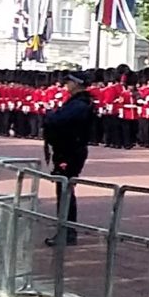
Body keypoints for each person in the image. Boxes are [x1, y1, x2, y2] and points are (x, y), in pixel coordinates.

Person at [39, 73, 97, 242]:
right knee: (64, 190)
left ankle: (67, 231)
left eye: (69, 82)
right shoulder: (77, 102)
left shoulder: (79, 104)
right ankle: (66, 229)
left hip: (70, 151)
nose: (66, 85)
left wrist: (49, 115)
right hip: (68, 149)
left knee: (65, 190)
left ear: (77, 84)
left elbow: (59, 121)